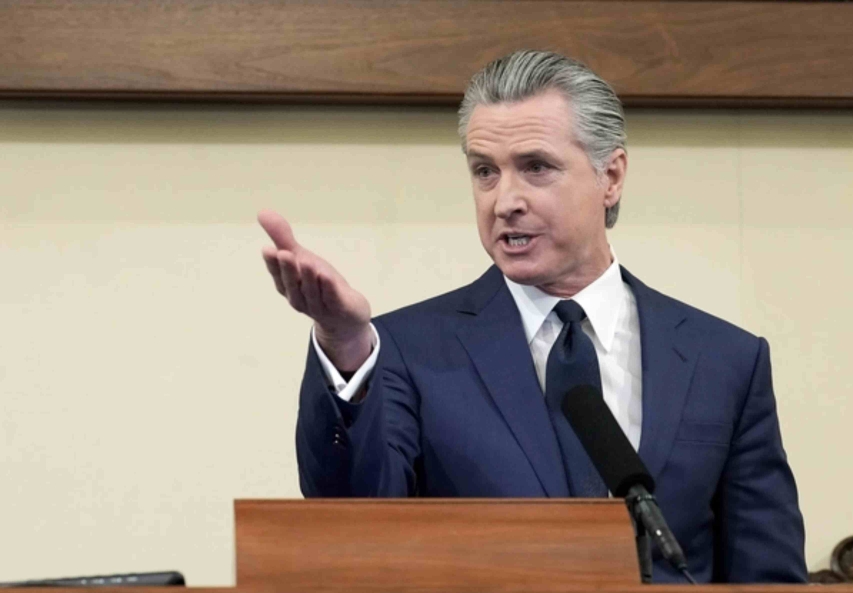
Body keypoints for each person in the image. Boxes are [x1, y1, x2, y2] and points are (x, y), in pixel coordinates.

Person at [258, 50, 806, 583]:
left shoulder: (725, 360)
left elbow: (768, 573)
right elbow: (351, 526)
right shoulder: (407, 351)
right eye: (485, 172)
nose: (504, 202)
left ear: (611, 176)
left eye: (536, 167)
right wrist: (344, 341)